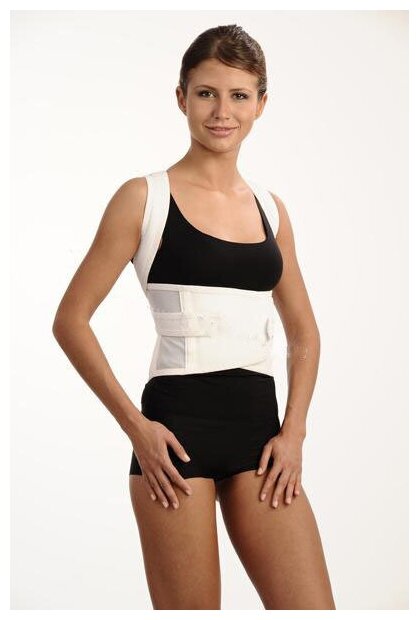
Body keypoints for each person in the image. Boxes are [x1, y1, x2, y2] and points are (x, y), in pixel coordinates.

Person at [52, 24, 336, 611]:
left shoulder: (270, 210)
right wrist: (136, 428)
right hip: (174, 440)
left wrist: (294, 433)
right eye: (206, 93)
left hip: (261, 439)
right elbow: (71, 320)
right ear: (181, 98)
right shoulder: (143, 198)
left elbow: (304, 331)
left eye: (238, 95)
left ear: (261, 104)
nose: (222, 112)